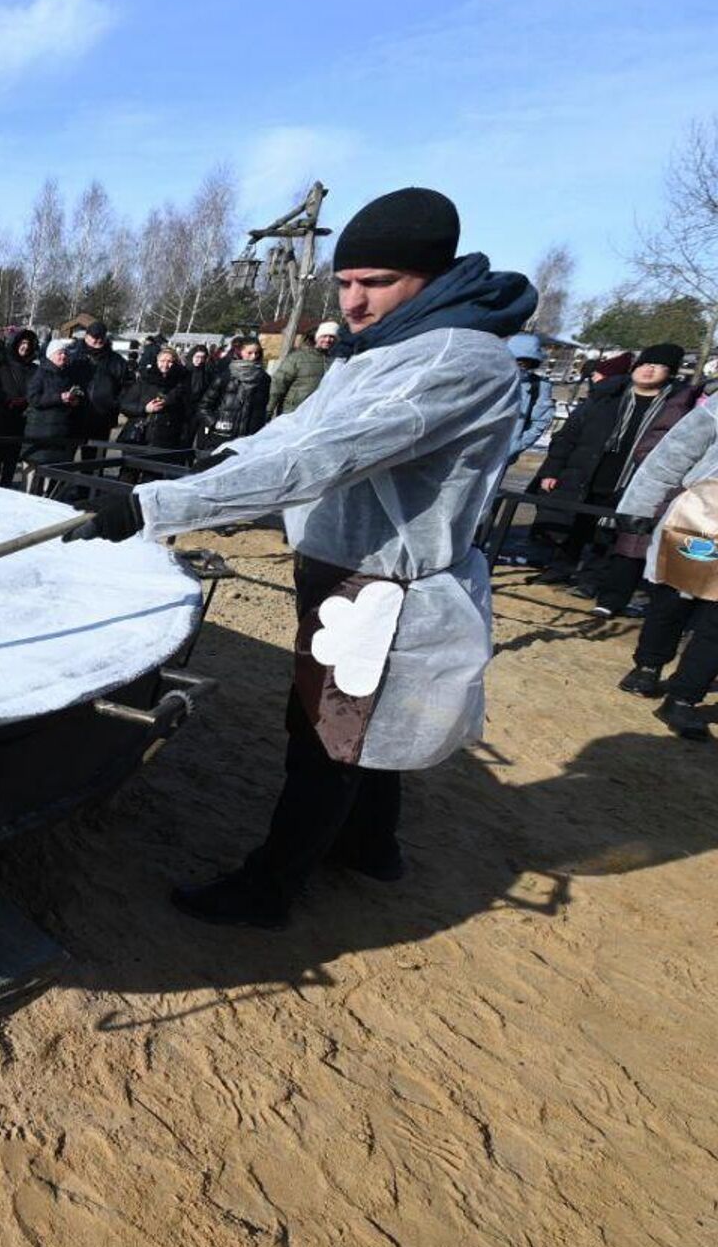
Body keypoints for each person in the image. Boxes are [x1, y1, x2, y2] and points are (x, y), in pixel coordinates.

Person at [75, 187, 535, 929]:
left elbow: (327, 454)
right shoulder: (387, 348)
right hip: (346, 573)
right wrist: (223, 460)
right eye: (345, 281)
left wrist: (157, 507)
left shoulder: (456, 359)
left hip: (380, 588)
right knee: (354, 724)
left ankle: (269, 890)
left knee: (327, 740)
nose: (353, 301)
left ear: (432, 275)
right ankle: (371, 844)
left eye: (375, 281)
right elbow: (298, 430)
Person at [533, 344, 696, 593]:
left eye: (658, 366)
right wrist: (551, 470)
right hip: (587, 470)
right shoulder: (606, 396)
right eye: (645, 364)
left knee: (609, 534)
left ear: (671, 373)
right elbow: (568, 436)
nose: (648, 370)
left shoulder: (675, 408)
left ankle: (591, 579)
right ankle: (560, 567)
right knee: (573, 523)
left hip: (630, 479)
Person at [614, 392, 718, 738]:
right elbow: (676, 450)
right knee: (673, 597)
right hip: (703, 516)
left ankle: (684, 697)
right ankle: (648, 666)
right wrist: (640, 502)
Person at [24, 337, 86, 485]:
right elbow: (33, 398)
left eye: (65, 353)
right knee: (33, 476)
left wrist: (74, 400)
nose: (63, 356)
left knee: (51, 475)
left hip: (60, 433)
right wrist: (59, 397)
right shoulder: (41, 373)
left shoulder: (67, 374)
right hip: (40, 431)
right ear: (51, 355)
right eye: (60, 353)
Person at [192, 336, 271, 452]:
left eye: (257, 353)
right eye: (249, 353)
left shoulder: (264, 379)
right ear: (240, 352)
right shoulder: (225, 376)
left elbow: (262, 408)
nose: (254, 357)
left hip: (248, 439)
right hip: (222, 436)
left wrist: (258, 430)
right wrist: (214, 423)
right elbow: (204, 406)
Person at [120, 345, 195, 452]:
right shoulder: (145, 380)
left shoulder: (182, 383)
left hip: (168, 439)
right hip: (139, 435)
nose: (165, 364)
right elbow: (125, 405)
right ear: (156, 361)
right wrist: (145, 408)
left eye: (170, 361)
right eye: (162, 361)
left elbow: (187, 412)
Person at [0, 329, 38, 485]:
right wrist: (6, 401)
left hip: (22, 419)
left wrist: (25, 401)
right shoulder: (3, 364)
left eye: (28, 344)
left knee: (12, 459)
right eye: (23, 343)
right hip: (3, 416)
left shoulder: (33, 369)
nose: (26, 347)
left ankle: (6, 485)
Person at [503, 332, 557, 465]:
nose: (521, 364)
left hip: (503, 457)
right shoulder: (490, 376)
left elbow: (540, 421)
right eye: (517, 359)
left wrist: (516, 446)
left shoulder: (539, 386)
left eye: (526, 360)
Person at [75, 321, 129, 450]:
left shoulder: (117, 361)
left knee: (94, 458)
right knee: (65, 457)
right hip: (73, 416)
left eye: (102, 336)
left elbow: (127, 386)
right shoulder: (73, 355)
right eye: (95, 336)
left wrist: (114, 403)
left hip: (102, 418)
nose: (99, 340)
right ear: (86, 336)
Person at [268, 321, 337, 419]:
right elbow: (278, 384)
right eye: (324, 336)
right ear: (315, 337)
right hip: (293, 413)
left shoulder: (335, 360)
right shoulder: (297, 358)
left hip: (319, 415)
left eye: (331, 337)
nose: (328, 340)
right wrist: (268, 411)